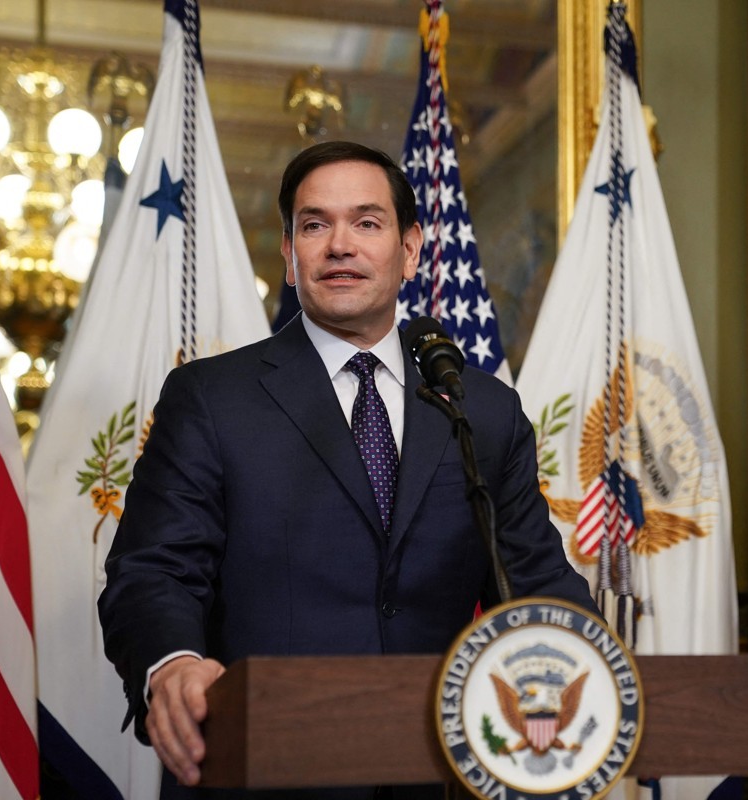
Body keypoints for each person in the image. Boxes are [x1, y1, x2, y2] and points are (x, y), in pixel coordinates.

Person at [98, 140, 596, 799]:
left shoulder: (483, 409)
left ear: (410, 249)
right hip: (264, 770)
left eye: (367, 222)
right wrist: (174, 662)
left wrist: (596, 672)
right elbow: (154, 571)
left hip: (439, 774)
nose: (339, 245)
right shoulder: (212, 399)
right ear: (288, 256)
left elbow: (536, 583)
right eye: (314, 224)